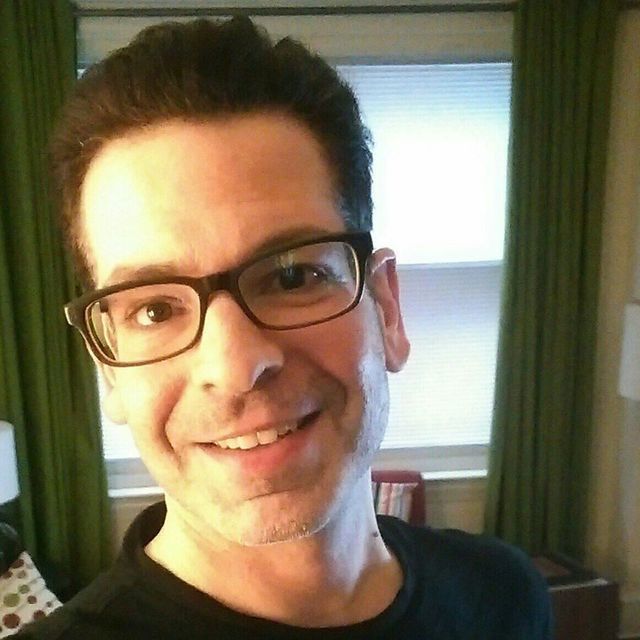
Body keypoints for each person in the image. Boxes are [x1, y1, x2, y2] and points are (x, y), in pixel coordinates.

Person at [15, 16, 552, 639]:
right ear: (108, 368)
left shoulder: (504, 596)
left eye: (293, 277)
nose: (235, 366)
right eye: (155, 310)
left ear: (387, 310)